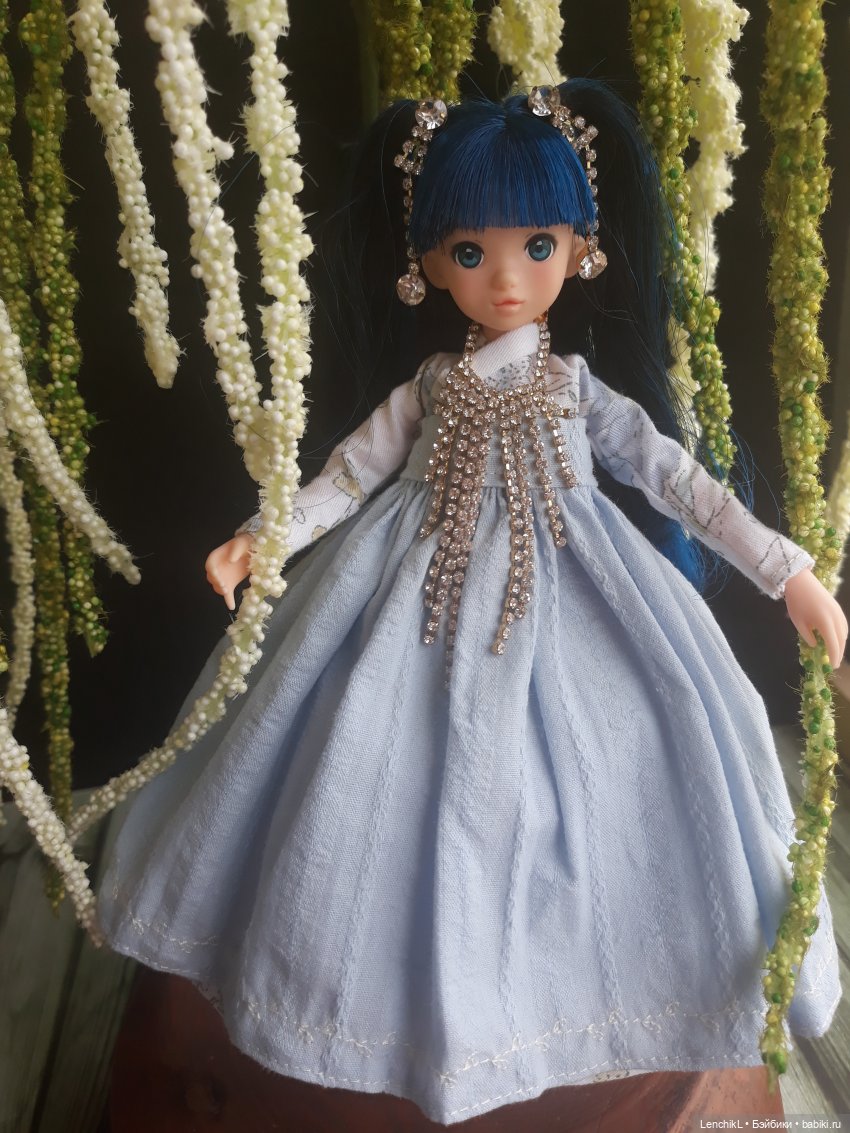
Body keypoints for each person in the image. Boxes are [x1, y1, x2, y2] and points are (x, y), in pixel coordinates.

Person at [98, 81, 845, 1126]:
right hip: (412, 590)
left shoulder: (578, 388)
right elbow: (347, 477)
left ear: (579, 251)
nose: (504, 277)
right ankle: (358, 1002)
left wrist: (786, 572)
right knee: (359, 755)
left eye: (536, 246)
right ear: (427, 263)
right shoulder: (429, 389)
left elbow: (680, 481)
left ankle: (595, 991)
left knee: (641, 745)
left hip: (583, 587)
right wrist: (263, 538)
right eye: (469, 250)